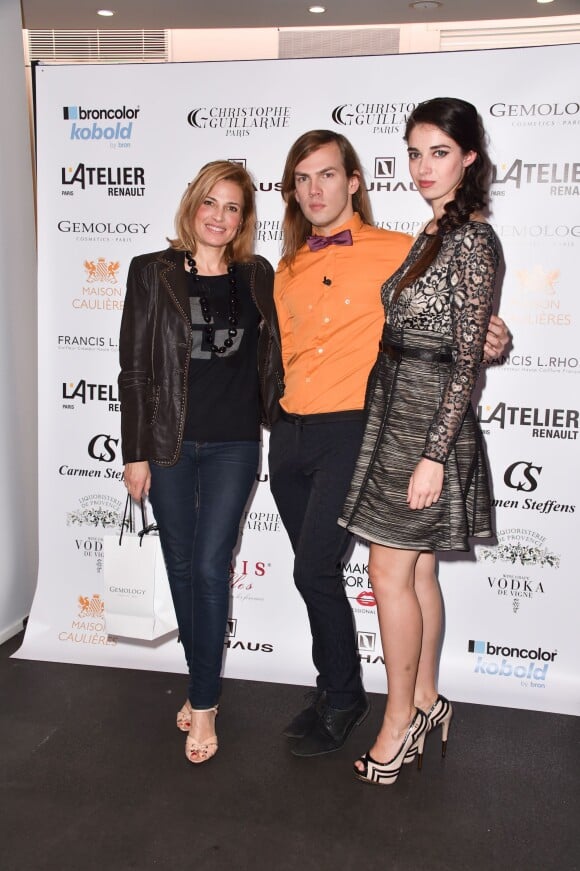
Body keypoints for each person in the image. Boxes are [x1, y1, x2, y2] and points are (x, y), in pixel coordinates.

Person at [268, 128, 508, 759]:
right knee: (327, 575)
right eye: (301, 179)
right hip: (288, 435)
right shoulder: (285, 267)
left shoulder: (401, 249)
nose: (314, 189)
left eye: (326, 174)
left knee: (320, 568)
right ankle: (375, 694)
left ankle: (347, 697)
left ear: (353, 181)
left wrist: (491, 335)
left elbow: (455, 313)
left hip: (356, 430)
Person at [338, 97, 500, 785]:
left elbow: (464, 360)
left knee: (388, 574)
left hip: (426, 424)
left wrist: (434, 453)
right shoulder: (434, 229)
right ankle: (429, 698)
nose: (423, 166)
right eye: (413, 151)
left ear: (468, 157)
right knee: (419, 570)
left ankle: (398, 722)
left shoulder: (472, 241)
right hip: (396, 410)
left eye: (438, 152)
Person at [118, 160, 281, 765]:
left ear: (244, 218)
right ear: (192, 206)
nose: (219, 216)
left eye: (232, 207)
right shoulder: (151, 272)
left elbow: (284, 349)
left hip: (235, 443)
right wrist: (135, 451)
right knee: (182, 566)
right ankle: (199, 679)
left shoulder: (256, 275)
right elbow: (134, 369)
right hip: (168, 445)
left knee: (211, 567)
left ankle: (204, 704)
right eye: (210, 202)